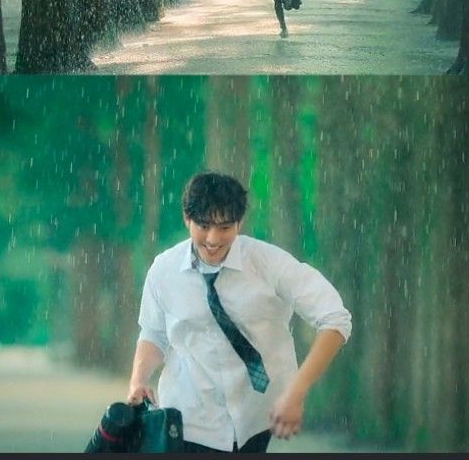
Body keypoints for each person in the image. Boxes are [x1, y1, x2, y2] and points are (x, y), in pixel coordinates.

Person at [127, 171, 351, 453]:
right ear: (187, 218)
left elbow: (336, 319)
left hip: (256, 417)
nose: (212, 238)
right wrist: (138, 380)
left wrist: (296, 391)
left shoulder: (269, 263)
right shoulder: (164, 269)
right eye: (203, 225)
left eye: (224, 227)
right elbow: (154, 333)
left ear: (240, 222)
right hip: (187, 418)